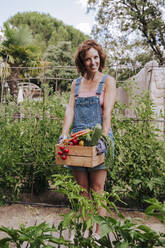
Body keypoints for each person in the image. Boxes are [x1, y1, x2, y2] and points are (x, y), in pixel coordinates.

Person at [59, 39, 116, 237]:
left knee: (97, 188)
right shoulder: (75, 84)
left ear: (100, 57)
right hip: (77, 141)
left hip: (98, 140)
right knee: (81, 190)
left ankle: (99, 233)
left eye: (96, 57)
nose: (93, 62)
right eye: (88, 59)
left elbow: (107, 113)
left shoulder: (108, 81)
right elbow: (70, 110)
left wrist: (104, 138)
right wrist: (64, 135)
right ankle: (84, 231)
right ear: (81, 62)